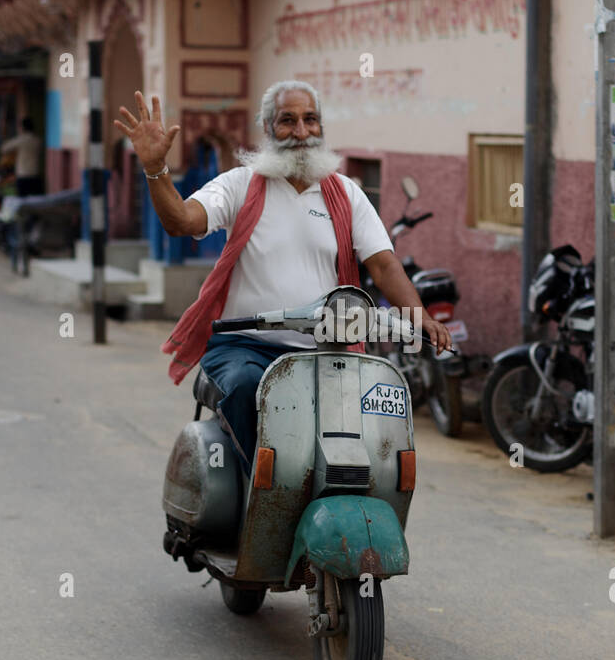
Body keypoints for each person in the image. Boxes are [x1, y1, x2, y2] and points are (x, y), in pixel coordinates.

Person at [114, 79, 454, 470]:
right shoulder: (239, 185)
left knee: (370, 416)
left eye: (310, 120)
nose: (301, 131)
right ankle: (259, 488)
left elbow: (383, 264)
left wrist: (418, 318)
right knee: (245, 389)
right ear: (268, 129)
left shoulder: (347, 194)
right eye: (287, 121)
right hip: (244, 347)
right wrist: (156, 168)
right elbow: (182, 222)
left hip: (328, 351)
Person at [2, 117, 42, 198]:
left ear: (23, 128)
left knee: (22, 201)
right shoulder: (38, 140)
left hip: (22, 175)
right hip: (35, 174)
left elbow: (4, 148)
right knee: (35, 201)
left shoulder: (20, 140)